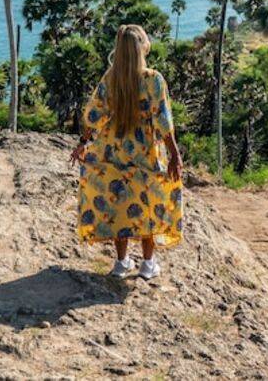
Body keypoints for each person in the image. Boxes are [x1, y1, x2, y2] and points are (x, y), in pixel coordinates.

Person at [70, 24, 184, 279]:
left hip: (113, 153)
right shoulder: (153, 79)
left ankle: (122, 263)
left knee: (118, 205)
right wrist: (175, 155)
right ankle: (148, 264)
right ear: (141, 47)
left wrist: (83, 142)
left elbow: (93, 115)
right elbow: (163, 121)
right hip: (146, 152)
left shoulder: (111, 78)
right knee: (147, 205)